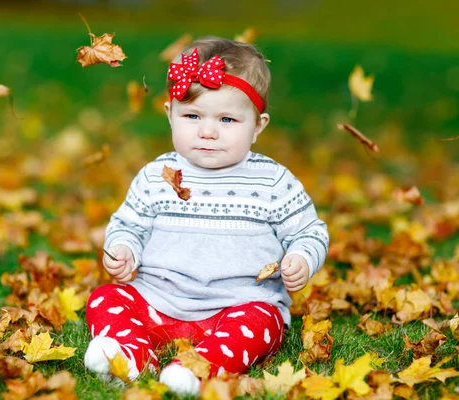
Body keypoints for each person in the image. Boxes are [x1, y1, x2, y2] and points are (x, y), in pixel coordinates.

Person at [83, 36, 329, 395]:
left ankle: (196, 370)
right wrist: (123, 249)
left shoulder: (273, 181)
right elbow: (128, 224)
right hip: (158, 300)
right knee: (105, 297)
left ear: (257, 126)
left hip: (237, 305)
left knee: (264, 321)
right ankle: (131, 356)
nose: (208, 131)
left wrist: (302, 257)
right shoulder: (157, 176)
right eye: (192, 116)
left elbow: (310, 231)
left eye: (227, 119)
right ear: (170, 114)